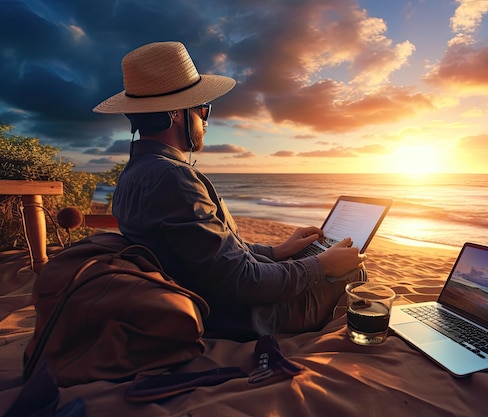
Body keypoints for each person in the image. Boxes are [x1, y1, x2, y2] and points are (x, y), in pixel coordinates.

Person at [93, 41, 366, 340]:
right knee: (354, 270)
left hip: (214, 301)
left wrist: (278, 251)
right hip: (243, 317)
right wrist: (319, 266)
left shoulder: (134, 173)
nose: (207, 120)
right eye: (203, 109)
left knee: (321, 261)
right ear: (175, 113)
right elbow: (242, 282)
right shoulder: (173, 179)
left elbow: (208, 256)